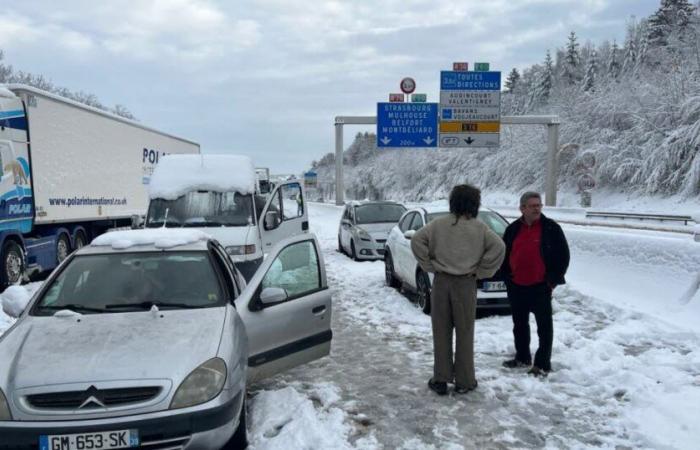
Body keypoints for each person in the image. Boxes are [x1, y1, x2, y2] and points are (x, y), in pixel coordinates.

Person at [411, 184, 505, 395]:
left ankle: (441, 379)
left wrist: (429, 265)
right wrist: (482, 271)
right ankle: (465, 380)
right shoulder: (480, 228)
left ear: (453, 202)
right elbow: (499, 247)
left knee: (441, 332)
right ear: (475, 204)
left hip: (442, 282)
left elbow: (417, 240)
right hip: (466, 283)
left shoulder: (438, 225)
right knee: (465, 332)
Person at [501, 192, 570, 377]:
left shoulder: (551, 228)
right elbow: (504, 254)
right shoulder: (513, 229)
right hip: (517, 286)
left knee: (544, 327)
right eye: (532, 205)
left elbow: (563, 256)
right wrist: (507, 278)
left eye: (539, 205)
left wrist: (552, 281)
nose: (537, 208)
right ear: (522, 208)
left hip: (540, 287)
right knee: (520, 325)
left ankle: (542, 364)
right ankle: (522, 357)